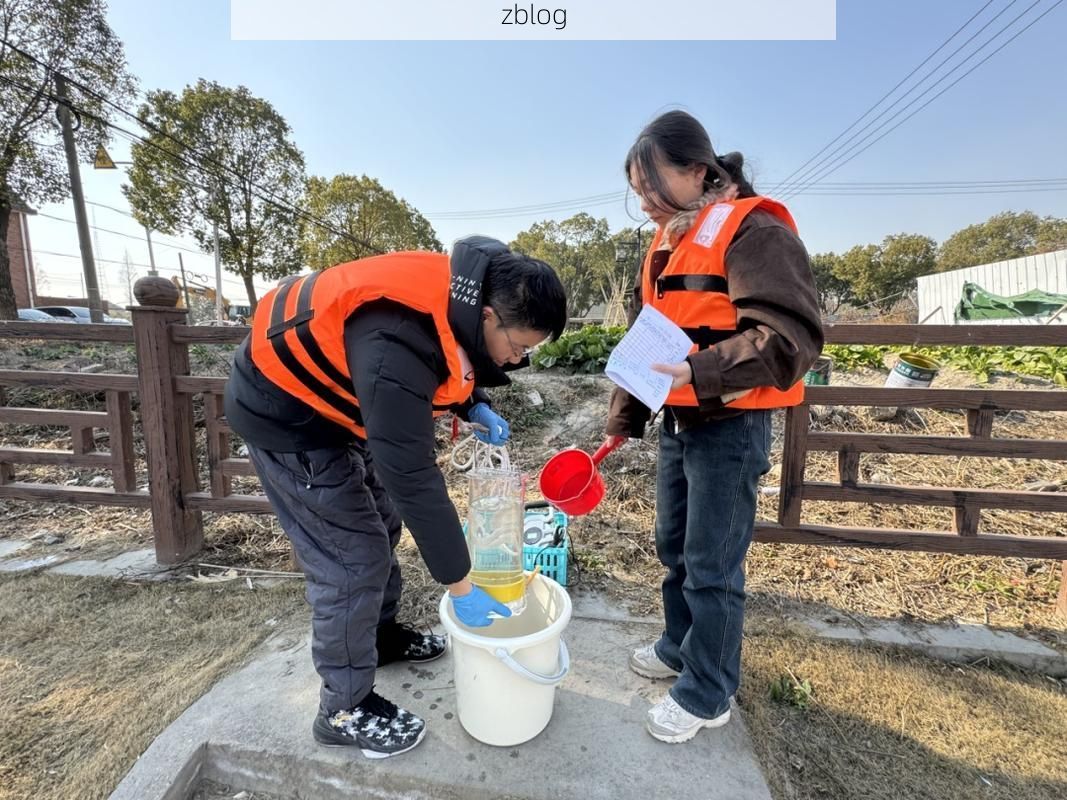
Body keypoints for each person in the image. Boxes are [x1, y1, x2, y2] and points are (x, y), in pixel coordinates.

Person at [224, 237, 567, 758]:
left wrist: (472, 404)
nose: (519, 359)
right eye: (519, 346)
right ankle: (343, 706)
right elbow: (411, 475)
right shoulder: (392, 342)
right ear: (491, 316)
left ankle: (378, 639)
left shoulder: (464, 299)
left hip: (342, 402)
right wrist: (460, 584)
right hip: (286, 413)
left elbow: (449, 353)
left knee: (381, 526)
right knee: (351, 559)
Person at [604, 110, 823, 743]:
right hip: (679, 420)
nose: (643, 202)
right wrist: (623, 419)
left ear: (698, 171)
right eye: (636, 189)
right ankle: (679, 646)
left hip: (731, 424)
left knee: (712, 563)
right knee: (673, 547)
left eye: (653, 185)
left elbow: (789, 339)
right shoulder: (669, 240)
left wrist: (698, 375)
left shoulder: (755, 230)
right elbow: (651, 342)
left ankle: (707, 691)